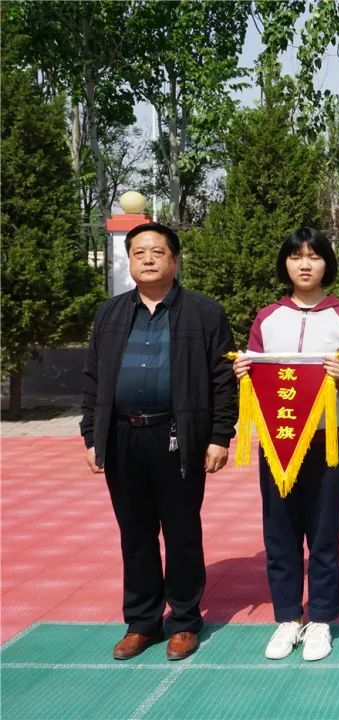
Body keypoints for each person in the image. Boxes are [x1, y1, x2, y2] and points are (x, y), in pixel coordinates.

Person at [81, 221, 237, 661]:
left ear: (175, 260)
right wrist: (92, 434)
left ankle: (184, 619)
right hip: (121, 436)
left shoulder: (204, 313)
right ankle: (142, 621)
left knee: (182, 530)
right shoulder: (109, 313)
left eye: (157, 252)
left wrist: (219, 436)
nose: (148, 259)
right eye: (139, 253)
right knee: (135, 532)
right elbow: (93, 378)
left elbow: (223, 380)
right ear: (129, 260)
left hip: (178, 435)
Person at [232, 227, 339, 662]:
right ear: (285, 265)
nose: (305, 265)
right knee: (279, 532)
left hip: (328, 440)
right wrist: (243, 375)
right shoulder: (267, 318)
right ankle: (288, 617)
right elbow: (256, 374)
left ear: (327, 263)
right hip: (277, 441)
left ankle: (322, 619)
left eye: (314, 256)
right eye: (296, 257)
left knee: (325, 532)